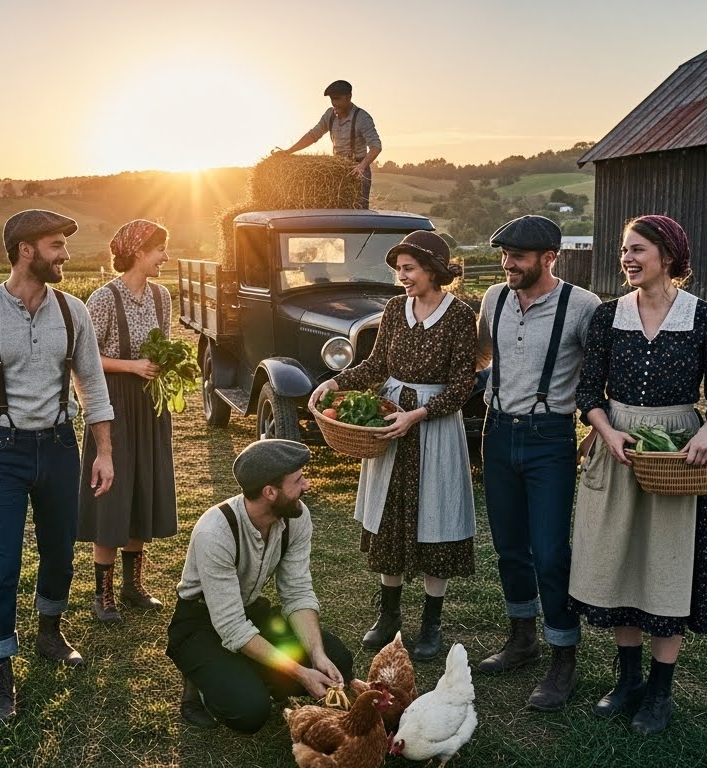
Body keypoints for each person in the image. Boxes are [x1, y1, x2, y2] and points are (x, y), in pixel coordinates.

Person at [0, 208, 116, 727]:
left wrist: (104, 452)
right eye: (57, 245)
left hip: (60, 445)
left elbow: (92, 384)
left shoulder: (73, 312)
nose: (66, 254)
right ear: (26, 250)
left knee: (60, 551)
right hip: (0, 451)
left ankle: (50, 632)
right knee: (0, 565)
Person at [569, 215, 707, 735]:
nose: (627, 258)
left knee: (668, 566)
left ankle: (660, 691)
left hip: (676, 457)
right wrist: (606, 431)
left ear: (667, 256)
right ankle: (628, 681)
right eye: (625, 249)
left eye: (638, 249)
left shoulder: (704, 317)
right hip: (619, 447)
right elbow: (588, 392)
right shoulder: (608, 316)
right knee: (618, 560)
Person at [308, 230, 477, 662]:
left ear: (433, 270)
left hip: (434, 428)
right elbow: (377, 364)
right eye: (399, 269)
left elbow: (463, 385)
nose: (402, 276)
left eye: (409, 269)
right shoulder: (394, 310)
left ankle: (431, 624)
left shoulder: (459, 315)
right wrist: (335, 382)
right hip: (389, 422)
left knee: (436, 517)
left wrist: (418, 414)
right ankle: (388, 616)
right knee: (389, 516)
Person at [474, 215, 600, 711]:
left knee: (549, 552)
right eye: (505, 255)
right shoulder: (493, 298)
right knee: (509, 547)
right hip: (497, 432)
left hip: (551, 438)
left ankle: (563, 656)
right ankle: (522, 638)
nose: (508, 264)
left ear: (549, 258)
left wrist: (596, 431)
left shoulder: (583, 306)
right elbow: (483, 354)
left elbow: (602, 376)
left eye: (518, 257)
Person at [166, 439, 355, 733]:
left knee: (338, 660)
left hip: (249, 612)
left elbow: (297, 592)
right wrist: (300, 673)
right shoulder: (214, 532)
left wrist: (316, 656)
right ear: (270, 492)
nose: (307, 485)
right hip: (199, 623)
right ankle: (200, 678)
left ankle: (247, 671)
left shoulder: (296, 517)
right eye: (298, 480)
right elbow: (231, 626)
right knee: (250, 713)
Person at [78, 219, 178, 623]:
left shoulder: (162, 297)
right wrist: (132, 366)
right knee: (113, 491)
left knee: (142, 487)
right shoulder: (103, 299)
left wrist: (169, 365)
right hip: (112, 403)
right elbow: (83, 358)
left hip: (150, 405)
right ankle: (102, 595)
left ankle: (133, 586)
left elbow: (165, 345)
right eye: (160, 250)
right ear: (138, 252)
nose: (165, 257)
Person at [277, 79, 383, 208]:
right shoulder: (330, 115)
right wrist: (289, 151)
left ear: (349, 97)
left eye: (338, 99)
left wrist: (362, 165)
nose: (334, 103)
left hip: (358, 169)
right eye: (332, 99)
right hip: (337, 169)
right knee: (335, 209)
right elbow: (313, 135)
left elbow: (376, 146)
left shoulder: (362, 118)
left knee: (358, 210)